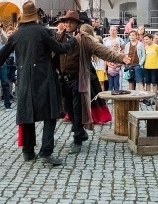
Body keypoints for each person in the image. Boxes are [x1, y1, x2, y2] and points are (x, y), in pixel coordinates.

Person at [0, 0, 74, 166]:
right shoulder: (42, 31)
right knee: (51, 114)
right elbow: (59, 49)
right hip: (44, 77)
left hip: (24, 78)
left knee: (27, 115)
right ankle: (46, 152)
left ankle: (28, 151)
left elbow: (0, 57)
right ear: (35, 16)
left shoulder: (16, 35)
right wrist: (72, 43)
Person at [55, 10, 130, 154]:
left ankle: (77, 138)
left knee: (77, 110)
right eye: (66, 21)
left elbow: (102, 50)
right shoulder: (60, 38)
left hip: (78, 79)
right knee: (68, 109)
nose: (68, 24)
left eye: (71, 21)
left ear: (77, 24)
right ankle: (81, 132)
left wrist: (120, 57)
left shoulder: (84, 39)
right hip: (63, 80)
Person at [141, 34, 158, 101]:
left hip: (154, 67)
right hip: (146, 67)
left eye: (147, 39)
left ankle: (154, 96)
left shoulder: (156, 46)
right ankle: (148, 96)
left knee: (154, 82)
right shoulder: (145, 47)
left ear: (151, 39)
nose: (145, 41)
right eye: (144, 39)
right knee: (147, 82)